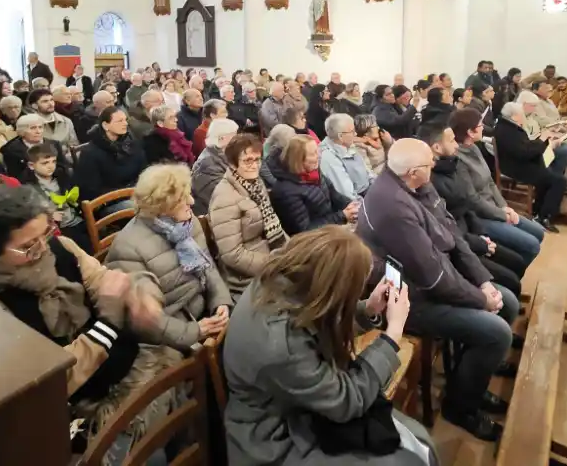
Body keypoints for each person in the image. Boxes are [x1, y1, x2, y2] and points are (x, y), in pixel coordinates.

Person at [0, 186, 180, 455]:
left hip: (110, 365)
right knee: (149, 451)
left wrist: (138, 292)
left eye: (46, 233)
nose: (42, 248)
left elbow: (102, 279)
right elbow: (45, 381)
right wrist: (108, 325)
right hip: (70, 406)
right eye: (27, 246)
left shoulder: (60, 247)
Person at [224, 227, 436, 465]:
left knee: (417, 441)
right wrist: (393, 334)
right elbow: (346, 401)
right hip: (276, 439)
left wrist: (367, 309)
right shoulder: (279, 342)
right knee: (410, 457)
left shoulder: (284, 279)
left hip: (301, 407)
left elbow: (319, 317)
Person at [356, 139, 516, 441]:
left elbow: (452, 235)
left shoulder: (414, 184)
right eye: (429, 163)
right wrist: (480, 299)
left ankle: (471, 377)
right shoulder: (392, 206)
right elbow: (432, 277)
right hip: (406, 298)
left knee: (506, 301)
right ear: (413, 172)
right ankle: (460, 408)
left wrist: (482, 281)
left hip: (433, 277)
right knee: (496, 332)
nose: (435, 164)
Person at [105, 164, 233, 351]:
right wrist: (194, 331)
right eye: (182, 198)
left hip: (203, 314)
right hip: (171, 337)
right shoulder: (128, 249)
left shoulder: (187, 223)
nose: (191, 201)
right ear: (162, 206)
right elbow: (148, 321)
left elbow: (208, 266)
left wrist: (220, 301)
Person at [420, 122, 525, 297]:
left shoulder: (453, 165)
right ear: (437, 147)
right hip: (459, 246)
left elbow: (466, 205)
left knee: (517, 262)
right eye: (452, 141)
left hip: (471, 232)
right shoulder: (431, 182)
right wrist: (479, 243)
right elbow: (447, 229)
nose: (456, 145)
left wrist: (481, 234)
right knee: (510, 281)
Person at [448, 109, 546, 260]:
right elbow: (473, 200)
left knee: (538, 233)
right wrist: (502, 215)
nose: (483, 127)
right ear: (470, 132)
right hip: (480, 216)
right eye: (480, 125)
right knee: (532, 245)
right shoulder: (458, 159)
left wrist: (505, 207)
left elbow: (490, 181)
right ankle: (515, 268)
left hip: (495, 208)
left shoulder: (474, 148)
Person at [208, 135, 288, 300]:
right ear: (232, 164)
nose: (254, 165)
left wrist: (292, 250)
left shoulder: (256, 184)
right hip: (245, 277)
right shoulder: (224, 198)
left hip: (270, 256)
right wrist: (274, 264)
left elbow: (275, 226)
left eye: (257, 160)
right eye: (247, 161)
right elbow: (232, 255)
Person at [494, 102, 566, 233]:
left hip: (521, 164)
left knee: (551, 176)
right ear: (515, 116)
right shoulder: (507, 130)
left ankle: (539, 210)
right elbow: (524, 153)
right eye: (521, 115)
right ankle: (544, 217)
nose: (523, 117)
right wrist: (542, 139)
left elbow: (525, 146)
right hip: (516, 168)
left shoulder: (507, 126)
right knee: (559, 181)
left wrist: (542, 141)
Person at [269, 135, 357, 235]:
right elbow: (305, 230)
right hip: (313, 239)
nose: (319, 155)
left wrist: (352, 206)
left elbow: (335, 195)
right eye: (313, 153)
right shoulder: (285, 192)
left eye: (318, 151)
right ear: (299, 159)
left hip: (332, 228)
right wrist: (342, 216)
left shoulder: (314, 171)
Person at [20, 141, 91, 252]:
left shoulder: (63, 174)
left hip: (76, 218)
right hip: (57, 228)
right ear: (31, 165)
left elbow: (78, 192)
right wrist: (49, 215)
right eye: (45, 163)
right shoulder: (28, 186)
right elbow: (31, 211)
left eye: (53, 161)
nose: (51, 166)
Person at [77, 107, 148, 207]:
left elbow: (144, 170)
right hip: (108, 202)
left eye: (125, 120)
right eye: (120, 121)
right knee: (137, 206)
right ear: (105, 125)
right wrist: (127, 193)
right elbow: (91, 190)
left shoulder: (132, 144)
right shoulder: (90, 153)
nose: (125, 123)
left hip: (135, 194)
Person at [318, 113, 373, 199]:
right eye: (352, 131)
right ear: (341, 136)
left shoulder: (347, 145)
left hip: (369, 191)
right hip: (359, 200)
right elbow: (348, 195)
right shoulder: (329, 158)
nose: (355, 134)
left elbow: (368, 173)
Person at [192, 118, 239, 216]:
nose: (238, 139)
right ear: (222, 138)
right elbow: (221, 196)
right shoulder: (207, 164)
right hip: (213, 214)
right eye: (234, 135)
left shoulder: (223, 155)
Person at [1, 113, 70, 179]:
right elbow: (15, 177)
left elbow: (64, 168)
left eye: (40, 127)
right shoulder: (11, 150)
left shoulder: (54, 144)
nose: (38, 131)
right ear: (22, 131)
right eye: (33, 128)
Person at [28, 88, 79, 161]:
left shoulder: (66, 121)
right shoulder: (29, 123)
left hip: (67, 161)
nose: (50, 104)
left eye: (51, 100)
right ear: (35, 105)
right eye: (45, 101)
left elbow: (74, 144)